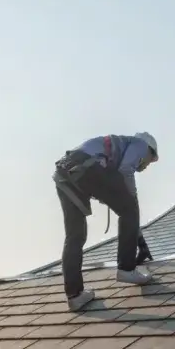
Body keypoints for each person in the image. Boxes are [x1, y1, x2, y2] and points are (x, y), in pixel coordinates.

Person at [53, 132, 159, 310]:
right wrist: (132, 200)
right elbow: (125, 170)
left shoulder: (114, 150)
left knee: (75, 236)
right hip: (85, 166)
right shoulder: (140, 144)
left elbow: (122, 208)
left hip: (64, 171)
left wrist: (139, 241)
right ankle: (126, 269)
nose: (147, 164)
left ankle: (75, 295)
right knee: (129, 208)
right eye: (150, 160)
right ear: (149, 150)